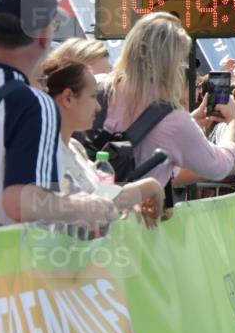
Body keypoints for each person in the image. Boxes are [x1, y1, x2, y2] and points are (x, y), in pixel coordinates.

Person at [0, 0, 116, 228]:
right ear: (44, 37)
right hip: (7, 262)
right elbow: (19, 203)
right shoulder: (32, 103)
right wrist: (81, 205)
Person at [103, 12, 235, 189]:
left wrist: (189, 122)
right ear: (172, 62)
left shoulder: (98, 89)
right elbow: (218, 167)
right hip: (136, 212)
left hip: (84, 208)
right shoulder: (174, 121)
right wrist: (233, 122)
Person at [42, 58, 165, 228]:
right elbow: (90, 209)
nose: (98, 107)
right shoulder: (45, 153)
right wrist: (146, 187)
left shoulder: (75, 147)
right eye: (92, 96)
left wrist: (128, 201)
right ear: (68, 98)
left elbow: (100, 197)